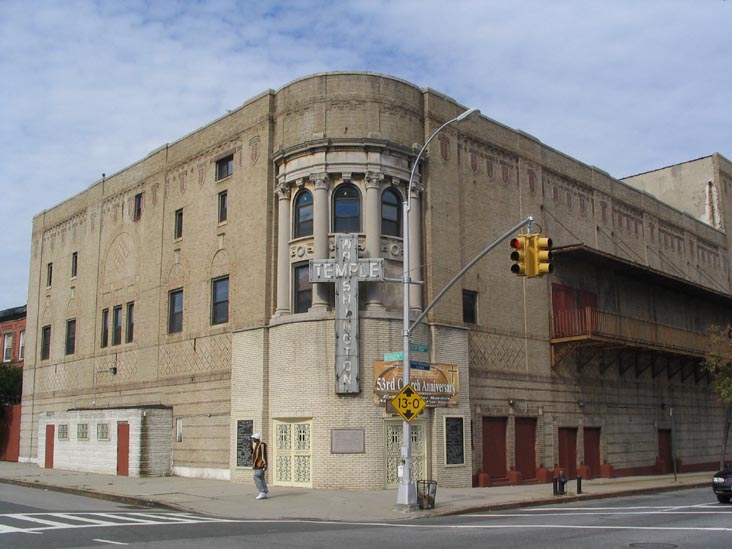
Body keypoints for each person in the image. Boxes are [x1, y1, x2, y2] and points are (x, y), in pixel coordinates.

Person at [251, 433, 269, 500]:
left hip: (260, 464)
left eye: (253, 438)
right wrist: (252, 450)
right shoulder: (257, 445)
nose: (253, 440)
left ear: (256, 438)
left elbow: (263, 454)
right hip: (257, 464)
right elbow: (256, 455)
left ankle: (262, 492)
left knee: (256, 476)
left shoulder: (261, 444)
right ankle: (265, 491)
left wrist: (265, 464)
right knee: (261, 478)